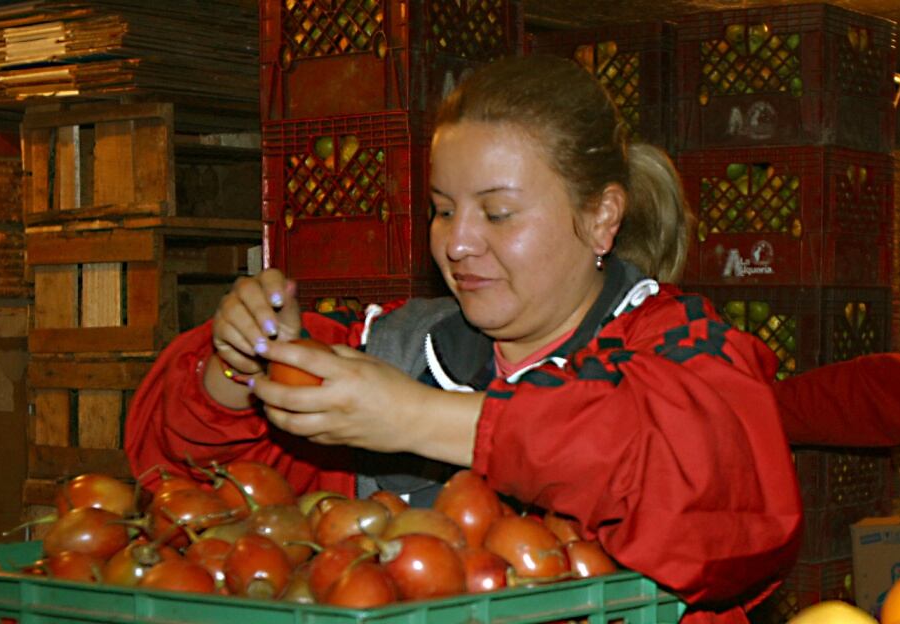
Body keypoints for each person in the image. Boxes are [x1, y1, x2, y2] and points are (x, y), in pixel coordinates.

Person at [125, 55, 803, 623]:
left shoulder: (684, 349)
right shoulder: (397, 349)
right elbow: (210, 500)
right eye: (443, 210)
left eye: (498, 213)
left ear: (601, 218)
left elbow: (708, 488)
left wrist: (419, 420)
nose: (457, 242)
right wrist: (236, 369)